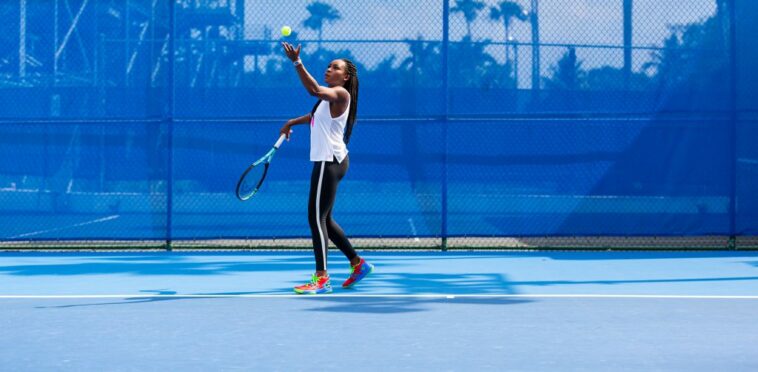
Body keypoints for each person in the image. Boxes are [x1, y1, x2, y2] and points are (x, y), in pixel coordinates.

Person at [279, 42, 373, 294]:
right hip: (333, 160)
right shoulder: (330, 98)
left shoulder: (341, 94)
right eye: (328, 66)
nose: (329, 69)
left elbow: (312, 90)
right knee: (326, 220)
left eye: (335, 68)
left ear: (346, 76)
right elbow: (315, 117)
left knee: (315, 218)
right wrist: (292, 122)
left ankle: (321, 278)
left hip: (329, 162)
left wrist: (297, 62)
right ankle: (358, 264)